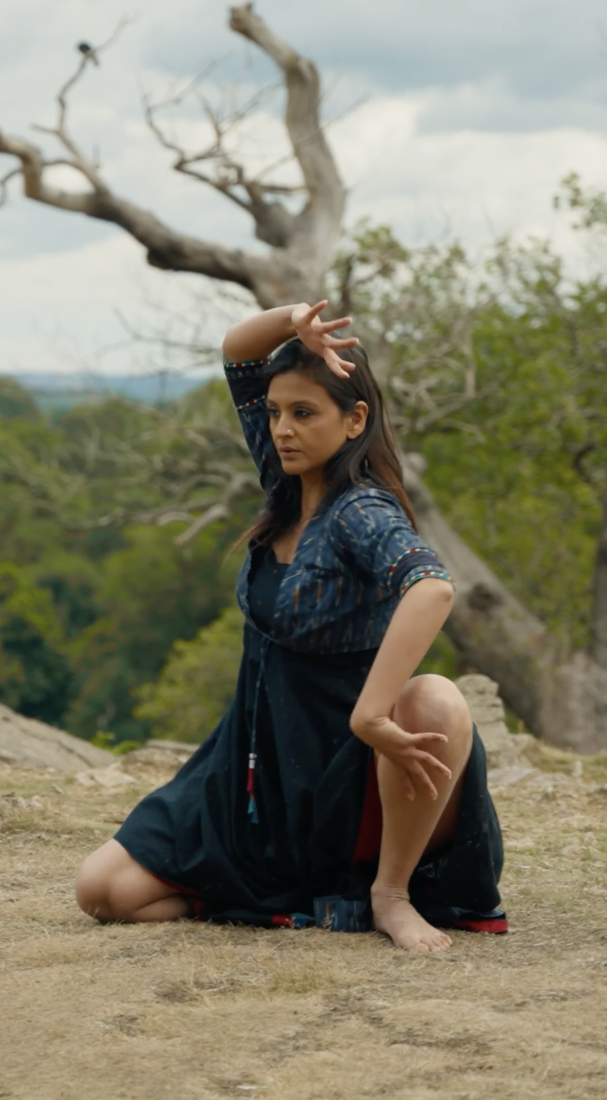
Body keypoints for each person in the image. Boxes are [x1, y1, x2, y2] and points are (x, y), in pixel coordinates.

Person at [75, 301, 505, 953]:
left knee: (437, 698)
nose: (282, 428)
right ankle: (257, 890)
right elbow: (236, 352)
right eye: (275, 412)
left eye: (304, 413)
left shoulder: (361, 508)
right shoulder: (285, 480)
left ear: (354, 419)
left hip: (353, 770)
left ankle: (388, 894)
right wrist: (297, 319)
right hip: (259, 764)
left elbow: (432, 588)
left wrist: (370, 716)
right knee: (103, 892)